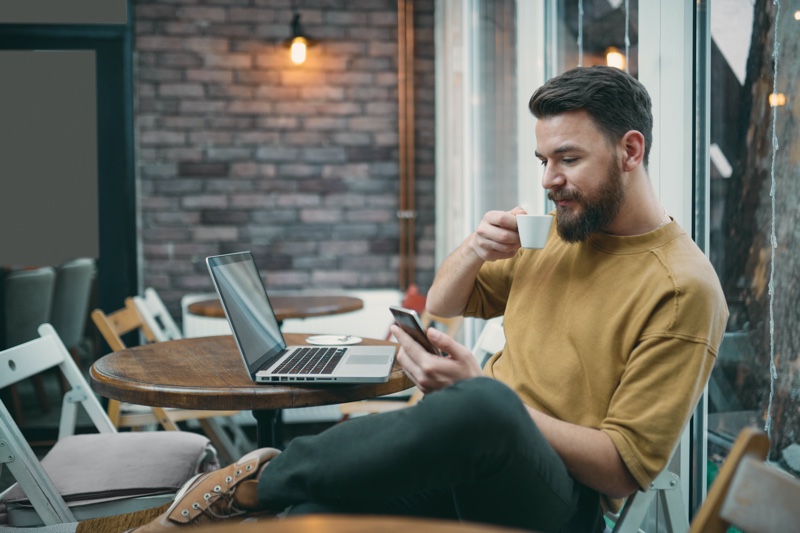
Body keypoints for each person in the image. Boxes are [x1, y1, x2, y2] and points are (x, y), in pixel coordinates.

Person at [133, 66, 728, 533]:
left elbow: (621, 471)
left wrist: (487, 396)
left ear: (630, 151)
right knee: (314, 510)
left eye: (568, 159)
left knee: (485, 408)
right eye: (544, 160)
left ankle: (253, 476)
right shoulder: (561, 232)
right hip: (464, 449)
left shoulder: (682, 287)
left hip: (555, 502)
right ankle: (253, 496)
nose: (548, 180)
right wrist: (475, 247)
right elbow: (446, 301)